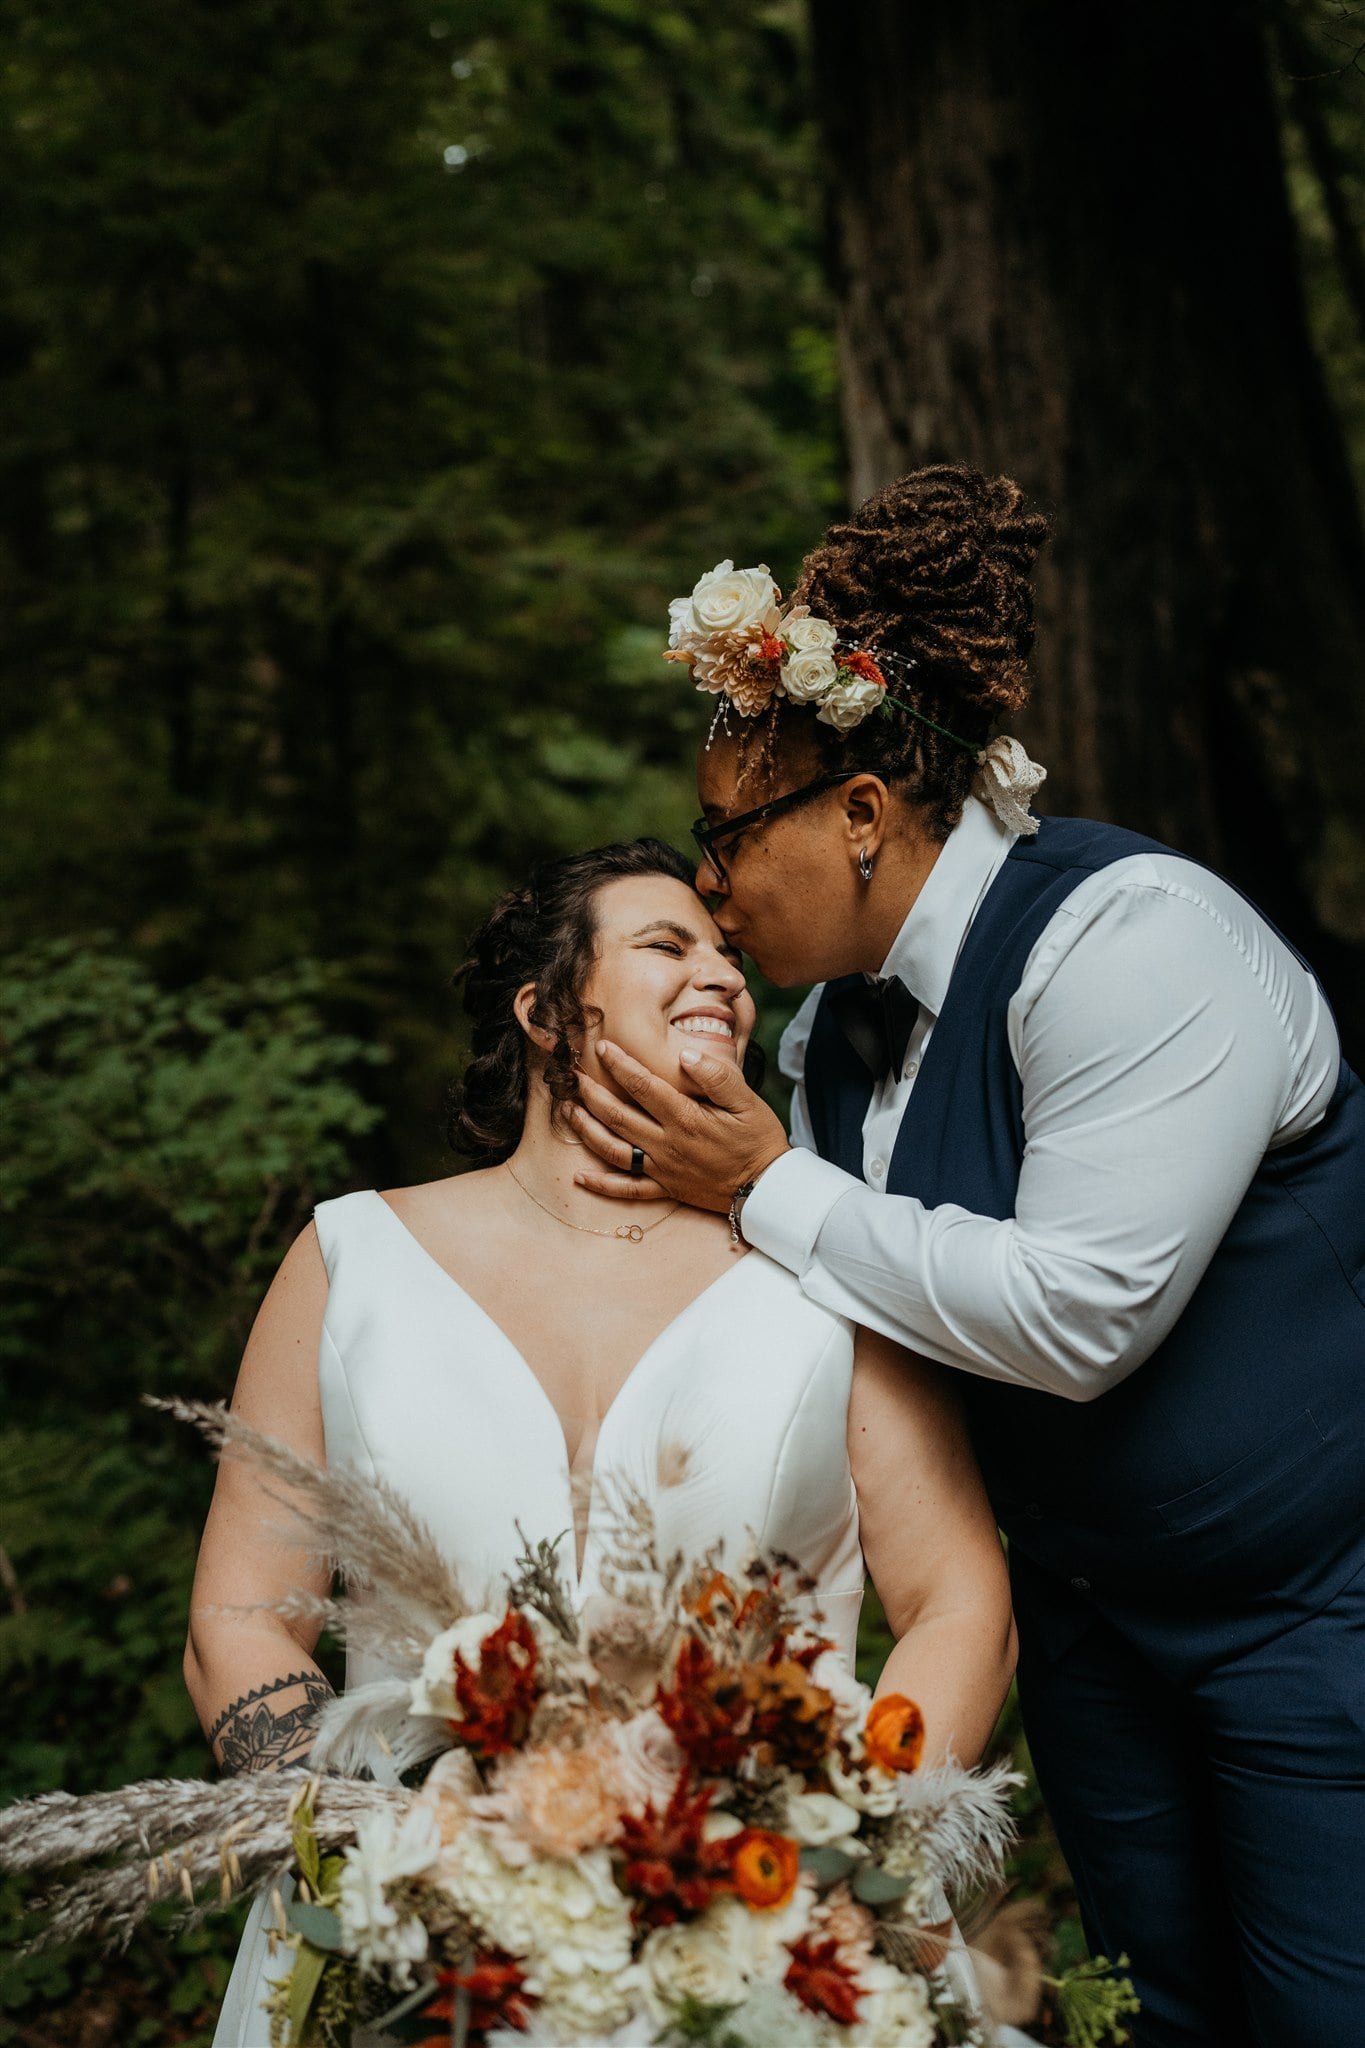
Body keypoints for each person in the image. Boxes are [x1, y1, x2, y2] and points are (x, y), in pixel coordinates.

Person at [569, 467, 1365, 2048]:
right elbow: (841, 1312)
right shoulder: (830, 1041)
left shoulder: (1131, 940)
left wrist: (766, 1183)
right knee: (1169, 2005)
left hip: (1315, 1610)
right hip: (1088, 1626)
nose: (710, 885)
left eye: (728, 839)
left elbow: (1082, 1316)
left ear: (864, 815)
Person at [185, 838, 1017, 2044]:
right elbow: (240, 1617)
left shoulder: (829, 1266)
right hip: (414, 1926)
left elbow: (957, 1600)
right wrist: (377, 1852)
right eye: (668, 945)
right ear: (542, 1011)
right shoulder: (348, 1261)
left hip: (777, 1920)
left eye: (731, 957)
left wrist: (853, 1840)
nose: (725, 976)